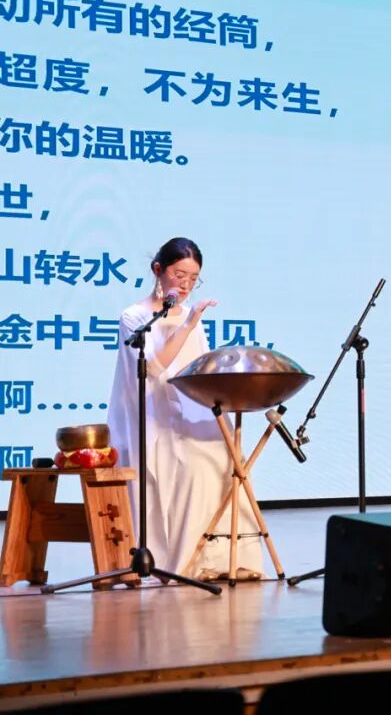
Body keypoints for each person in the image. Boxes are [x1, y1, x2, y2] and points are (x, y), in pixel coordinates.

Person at [106, 238, 264, 581]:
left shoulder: (192, 317)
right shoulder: (134, 317)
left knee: (224, 458)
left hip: (193, 408)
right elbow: (153, 367)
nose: (186, 285)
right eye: (179, 275)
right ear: (158, 270)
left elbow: (199, 367)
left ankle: (223, 559)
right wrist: (187, 324)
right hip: (153, 413)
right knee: (187, 463)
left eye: (193, 279)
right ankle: (184, 562)